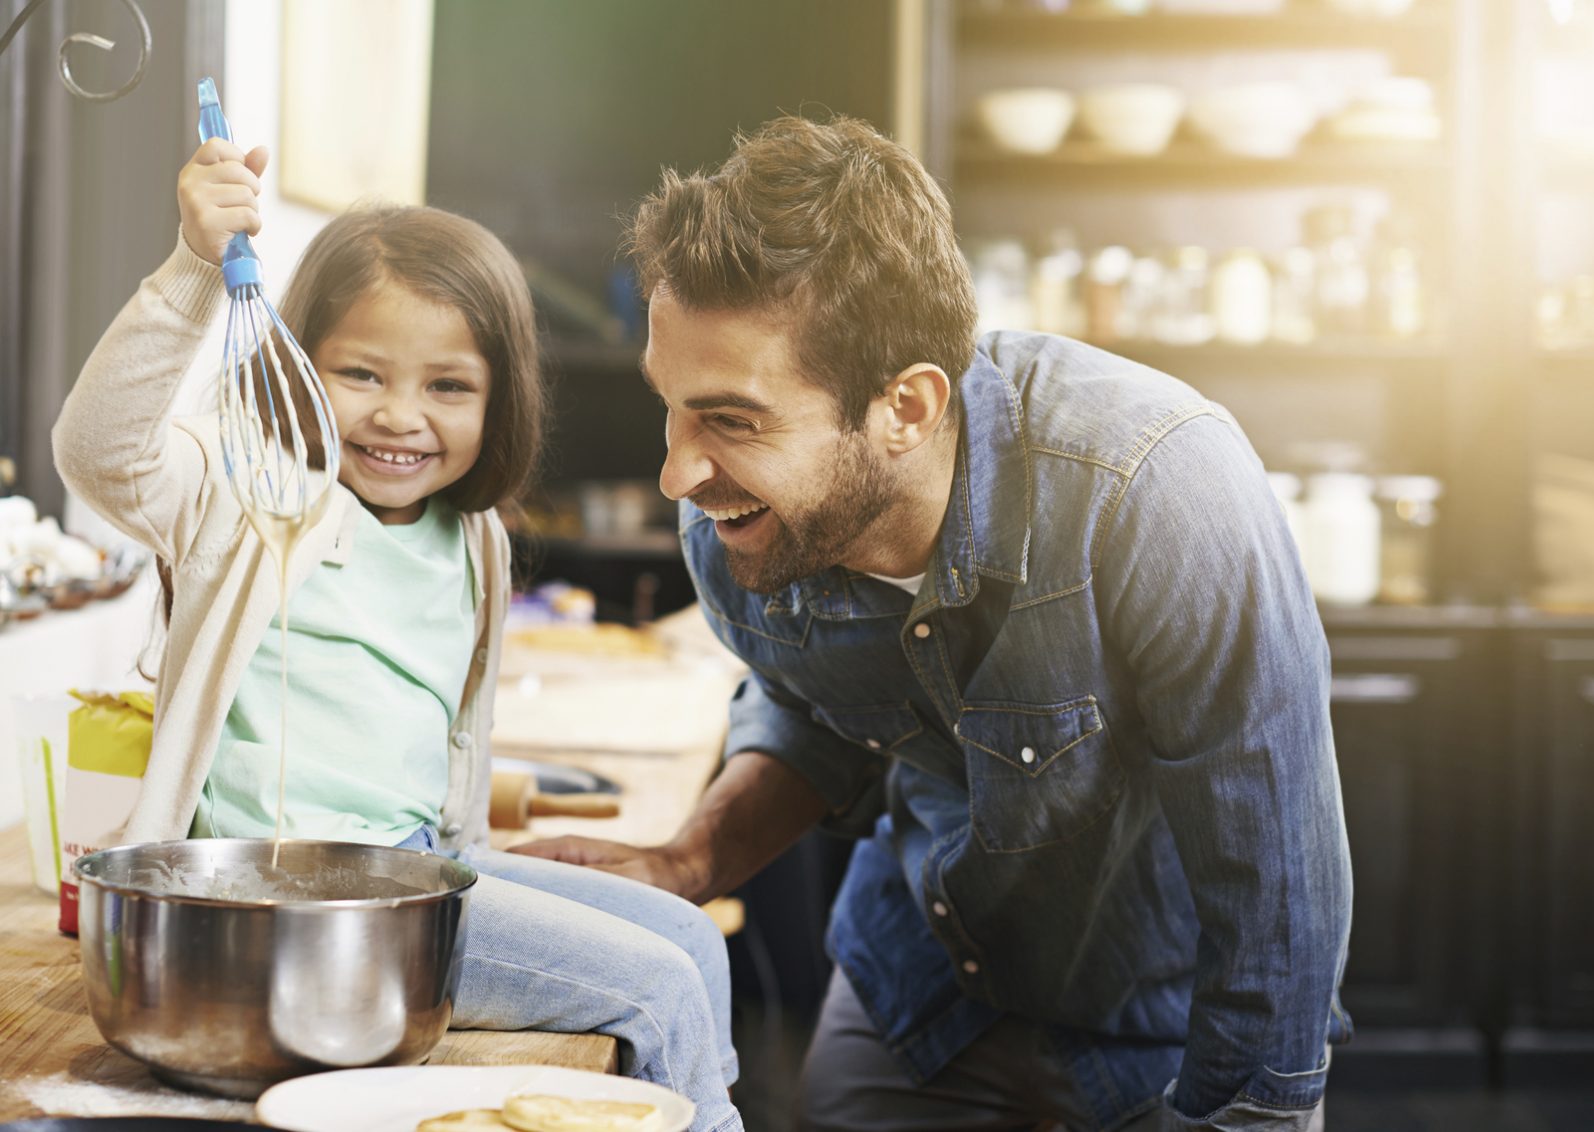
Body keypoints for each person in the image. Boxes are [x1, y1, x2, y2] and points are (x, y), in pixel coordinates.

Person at [514, 115, 1354, 1131]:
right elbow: (810, 705)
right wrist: (690, 859)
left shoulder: (1158, 489)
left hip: (1163, 1026)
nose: (678, 474)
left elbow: (1276, 883)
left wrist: (1251, 1110)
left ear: (905, 408)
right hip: (920, 986)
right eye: (672, 406)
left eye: (731, 419)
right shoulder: (737, 527)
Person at [52, 136, 742, 1132]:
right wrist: (194, 269)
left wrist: (472, 855)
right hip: (288, 901)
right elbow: (98, 449)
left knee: (695, 943)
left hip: (418, 876)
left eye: (448, 386)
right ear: (296, 364)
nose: (401, 417)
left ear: (499, 395)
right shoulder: (249, 502)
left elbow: (452, 749)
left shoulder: (474, 542)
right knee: (657, 989)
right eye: (361, 373)